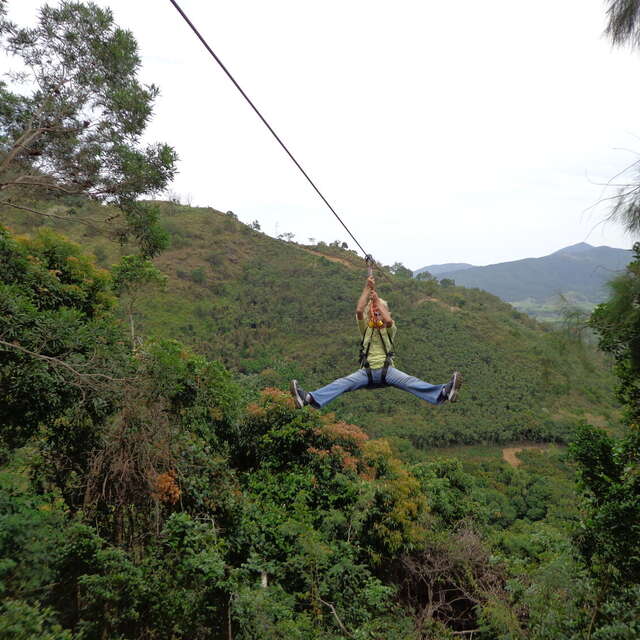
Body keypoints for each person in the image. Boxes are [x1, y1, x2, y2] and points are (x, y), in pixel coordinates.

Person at [290, 274, 462, 409]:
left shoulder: (389, 329)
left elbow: (388, 320)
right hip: (367, 372)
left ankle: (444, 392)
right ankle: (307, 398)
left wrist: (377, 301)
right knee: (341, 383)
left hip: (388, 371)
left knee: (411, 382)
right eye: (374, 313)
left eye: (380, 311)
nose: (377, 314)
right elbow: (359, 310)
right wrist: (367, 290)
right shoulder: (366, 329)